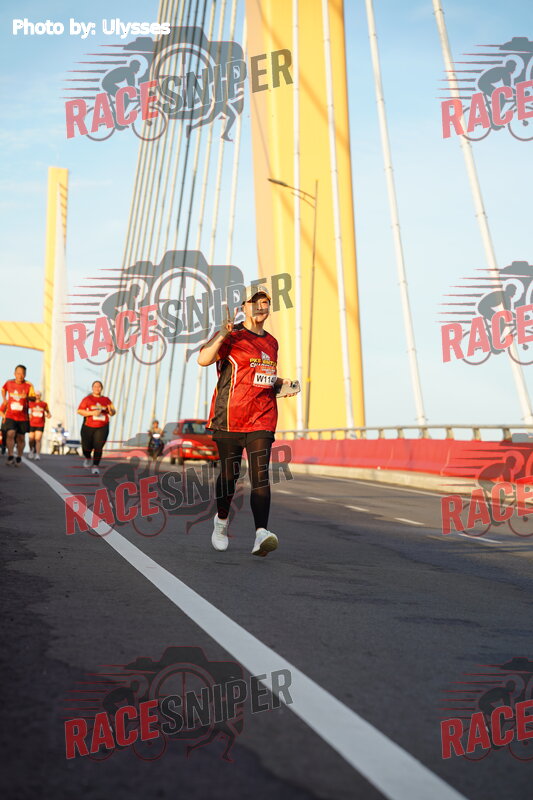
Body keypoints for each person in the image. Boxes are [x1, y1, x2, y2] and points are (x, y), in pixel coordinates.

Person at [197, 287, 299, 557]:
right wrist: (222, 333)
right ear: (244, 307)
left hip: (262, 417)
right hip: (229, 417)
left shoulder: (272, 342)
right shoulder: (232, 335)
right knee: (229, 476)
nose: (261, 307)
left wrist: (281, 384)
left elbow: (262, 377)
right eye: (255, 303)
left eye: (265, 303)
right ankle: (221, 521)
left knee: (260, 474)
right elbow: (203, 359)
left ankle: (261, 532)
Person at [77, 381, 116, 476]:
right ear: (92, 388)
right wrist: (92, 413)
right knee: (86, 447)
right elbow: (79, 411)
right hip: (88, 426)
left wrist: (111, 411)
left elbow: (113, 412)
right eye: (95, 386)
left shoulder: (106, 400)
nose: (97, 388)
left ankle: (95, 466)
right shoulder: (87, 399)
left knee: (98, 446)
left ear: (101, 388)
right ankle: (88, 458)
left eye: (99, 386)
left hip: (102, 426)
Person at [1, 364, 36, 467]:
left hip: (23, 417)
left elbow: (34, 398)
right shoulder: (9, 383)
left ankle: (19, 456)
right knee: (10, 434)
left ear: (25, 374)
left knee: (21, 438)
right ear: (14, 374)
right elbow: (3, 389)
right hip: (10, 415)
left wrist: (27, 397)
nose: (20, 376)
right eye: (18, 373)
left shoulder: (29, 385)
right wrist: (4, 399)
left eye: (22, 374)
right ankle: (10, 455)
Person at [27, 391, 51, 460]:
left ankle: (37, 454)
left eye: (38, 395)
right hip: (32, 423)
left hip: (40, 424)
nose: (37, 396)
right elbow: (25, 410)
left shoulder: (44, 404)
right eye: (36, 395)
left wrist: (48, 415)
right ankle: (31, 450)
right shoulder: (31, 403)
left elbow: (48, 412)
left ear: (40, 396)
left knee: (38, 439)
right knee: (31, 439)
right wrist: (28, 415)